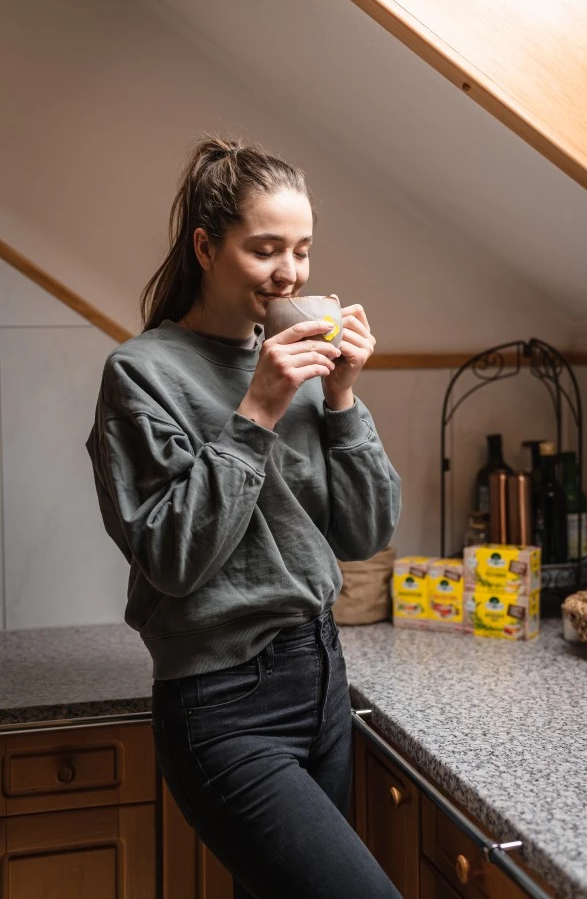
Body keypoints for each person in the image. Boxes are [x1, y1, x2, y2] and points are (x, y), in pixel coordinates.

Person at [86, 135, 402, 899]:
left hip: (320, 676)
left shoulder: (299, 364)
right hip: (223, 705)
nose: (290, 273)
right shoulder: (142, 374)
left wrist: (342, 398)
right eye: (266, 250)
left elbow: (365, 535)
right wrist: (258, 408)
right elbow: (170, 558)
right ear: (205, 246)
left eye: (302, 250)